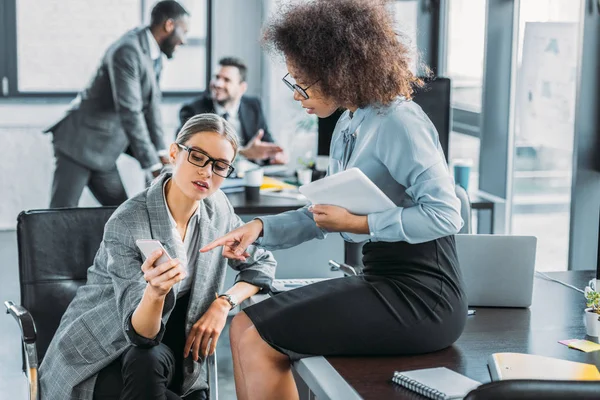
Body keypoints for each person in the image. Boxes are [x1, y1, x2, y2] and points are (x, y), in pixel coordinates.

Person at [200, 1, 467, 399]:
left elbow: (447, 216)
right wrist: (258, 229)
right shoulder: (349, 123)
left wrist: (359, 225)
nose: (296, 95)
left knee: (254, 331)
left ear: (338, 72)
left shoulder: (400, 122)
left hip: (424, 296)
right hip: (383, 280)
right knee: (244, 326)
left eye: (302, 82)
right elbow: (323, 213)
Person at [39, 114, 277, 400]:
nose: (207, 172)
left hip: (175, 352)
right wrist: (155, 292)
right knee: (146, 358)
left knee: (151, 362)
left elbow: (262, 263)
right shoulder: (129, 221)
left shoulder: (219, 210)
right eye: (198, 157)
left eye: (220, 165)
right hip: (105, 351)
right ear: (175, 153)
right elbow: (142, 336)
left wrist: (223, 304)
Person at [45, 1, 189, 208]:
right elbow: (130, 110)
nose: (184, 41)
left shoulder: (152, 52)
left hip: (104, 150)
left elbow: (152, 106)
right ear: (169, 25)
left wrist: (161, 152)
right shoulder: (127, 51)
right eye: (183, 32)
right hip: (78, 142)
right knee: (60, 215)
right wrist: (152, 165)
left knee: (120, 212)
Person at [179, 56, 288, 164]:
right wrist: (244, 153)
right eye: (216, 77)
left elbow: (265, 141)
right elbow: (190, 151)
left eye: (227, 80)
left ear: (242, 88)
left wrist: (275, 155)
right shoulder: (193, 110)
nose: (218, 84)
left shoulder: (253, 106)